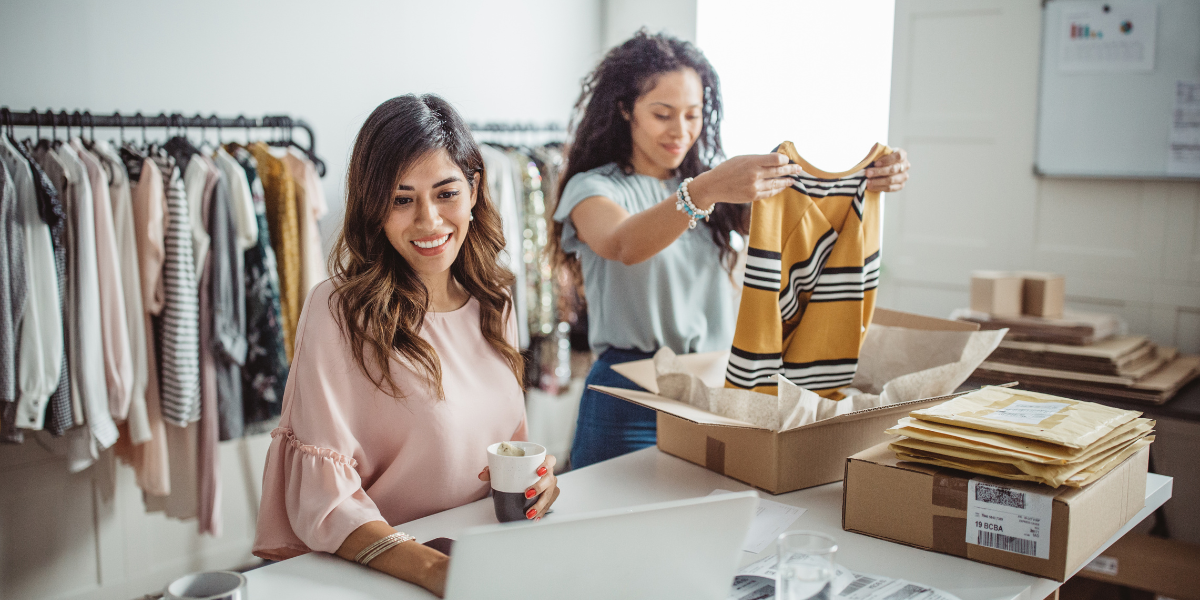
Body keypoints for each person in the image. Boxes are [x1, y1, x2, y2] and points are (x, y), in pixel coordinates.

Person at [553, 31, 911, 470]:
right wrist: (705, 190)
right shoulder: (594, 188)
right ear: (626, 109)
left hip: (714, 389)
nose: (680, 131)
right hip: (629, 396)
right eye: (662, 114)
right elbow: (623, 243)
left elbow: (804, 222)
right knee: (608, 527)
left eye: (693, 114)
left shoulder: (716, 189)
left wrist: (869, 179)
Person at [253, 94, 561, 597]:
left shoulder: (494, 299)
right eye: (402, 199)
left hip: (491, 560)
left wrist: (538, 482)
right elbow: (325, 502)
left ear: (474, 189)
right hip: (388, 577)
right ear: (374, 207)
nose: (429, 221)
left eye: (446, 193)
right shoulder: (339, 311)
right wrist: (437, 573)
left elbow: (505, 449)